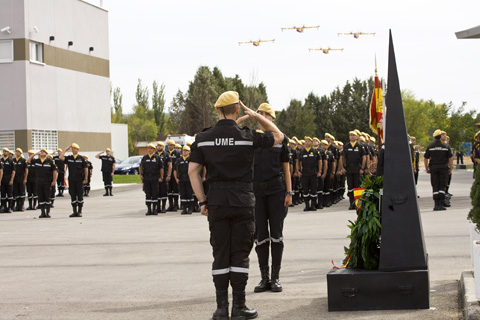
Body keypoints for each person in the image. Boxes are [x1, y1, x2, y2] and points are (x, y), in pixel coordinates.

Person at [188, 91, 284, 320]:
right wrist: (255, 116)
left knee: (220, 253)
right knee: (240, 254)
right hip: (242, 202)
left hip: (217, 202)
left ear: (218, 110)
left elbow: (193, 171)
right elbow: (278, 136)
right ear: (238, 109)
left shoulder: (204, 138)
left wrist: (202, 201)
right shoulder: (247, 136)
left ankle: (221, 308)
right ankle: (239, 306)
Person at [241, 102, 292, 294]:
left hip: (277, 191)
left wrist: (289, 192)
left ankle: (275, 278)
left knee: (276, 235)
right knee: (260, 236)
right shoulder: (253, 138)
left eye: (263, 114)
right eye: (258, 113)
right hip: (257, 192)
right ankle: (264, 278)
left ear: (271, 118)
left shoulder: (281, 139)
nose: (260, 116)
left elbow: (286, 169)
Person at [424, 129, 453, 211]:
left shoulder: (430, 147)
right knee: (442, 186)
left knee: (435, 185)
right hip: (443, 168)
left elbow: (425, 158)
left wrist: (426, 169)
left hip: (433, 168)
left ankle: (436, 205)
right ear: (440, 137)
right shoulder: (446, 147)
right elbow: (450, 158)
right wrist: (450, 169)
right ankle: (441, 204)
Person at [59, 143, 88, 217]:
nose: (73, 150)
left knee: (80, 195)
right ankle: (74, 211)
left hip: (79, 180)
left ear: (77, 150)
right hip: (71, 180)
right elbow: (61, 157)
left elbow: (85, 169)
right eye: (72, 148)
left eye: (74, 148)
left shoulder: (81, 158)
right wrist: (65, 149)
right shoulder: (69, 158)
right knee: (73, 195)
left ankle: (80, 211)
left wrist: (85, 178)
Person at [27, 149, 57, 218]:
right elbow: (28, 160)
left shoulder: (50, 161)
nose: (41, 153)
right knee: (41, 198)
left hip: (47, 182)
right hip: (39, 182)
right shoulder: (37, 161)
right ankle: (42, 212)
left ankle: (48, 212)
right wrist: (34, 154)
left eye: (43, 152)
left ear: (46, 154)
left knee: (47, 197)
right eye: (41, 152)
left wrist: (54, 181)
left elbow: (54, 171)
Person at [343, 131, 366, 210]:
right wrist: (342, 167)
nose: (352, 136)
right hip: (349, 169)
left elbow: (364, 158)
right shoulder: (346, 146)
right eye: (350, 135)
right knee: (350, 187)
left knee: (357, 187)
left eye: (353, 135)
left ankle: (357, 204)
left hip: (357, 169)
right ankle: (351, 203)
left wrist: (362, 168)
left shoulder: (360, 146)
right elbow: (343, 158)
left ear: (357, 137)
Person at [298, 136, 322, 211]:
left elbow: (320, 161)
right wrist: (298, 171)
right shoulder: (301, 152)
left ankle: (313, 205)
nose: (307, 142)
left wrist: (319, 171)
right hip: (305, 174)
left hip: (313, 173)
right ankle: (307, 205)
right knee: (305, 190)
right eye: (306, 141)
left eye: (308, 141)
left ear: (311, 143)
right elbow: (299, 162)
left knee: (313, 190)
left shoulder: (315, 151)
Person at [139, 143, 164, 216]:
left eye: (151, 148)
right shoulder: (145, 157)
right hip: (147, 178)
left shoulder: (157, 158)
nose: (149, 150)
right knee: (148, 194)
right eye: (148, 148)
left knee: (155, 194)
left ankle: (154, 209)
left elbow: (161, 168)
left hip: (154, 178)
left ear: (154, 149)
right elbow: (141, 167)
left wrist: (161, 177)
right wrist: (141, 175)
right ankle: (149, 209)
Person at [174, 145, 193, 214]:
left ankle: (190, 208)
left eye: (186, 151)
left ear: (189, 152)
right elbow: (175, 170)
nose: (184, 152)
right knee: (183, 194)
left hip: (189, 179)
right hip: (181, 179)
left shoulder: (191, 159)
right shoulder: (179, 160)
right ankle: (184, 208)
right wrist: (176, 178)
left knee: (189, 194)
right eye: (184, 151)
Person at [156, 141, 171, 213]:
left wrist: (168, 175)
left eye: (161, 146)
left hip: (164, 175)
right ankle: (158, 207)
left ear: (163, 147)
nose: (159, 147)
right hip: (156, 176)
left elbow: (170, 165)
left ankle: (163, 207)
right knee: (157, 192)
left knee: (164, 191)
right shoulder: (154, 154)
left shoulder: (166, 154)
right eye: (158, 146)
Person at [166, 139, 180, 211]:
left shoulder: (177, 153)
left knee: (175, 190)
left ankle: (176, 204)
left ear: (174, 146)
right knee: (169, 191)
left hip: (175, 174)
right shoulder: (166, 153)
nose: (170, 146)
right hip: (168, 175)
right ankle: (170, 205)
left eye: (172, 145)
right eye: (169, 145)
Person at [1, 148, 15, 213]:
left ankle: (10, 207)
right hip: (2, 179)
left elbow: (13, 171)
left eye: (6, 151)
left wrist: (11, 179)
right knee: (3, 194)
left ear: (8, 153)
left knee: (9, 194)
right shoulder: (1, 160)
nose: (4, 153)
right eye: (4, 151)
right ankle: (4, 207)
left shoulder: (10, 161)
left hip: (9, 178)